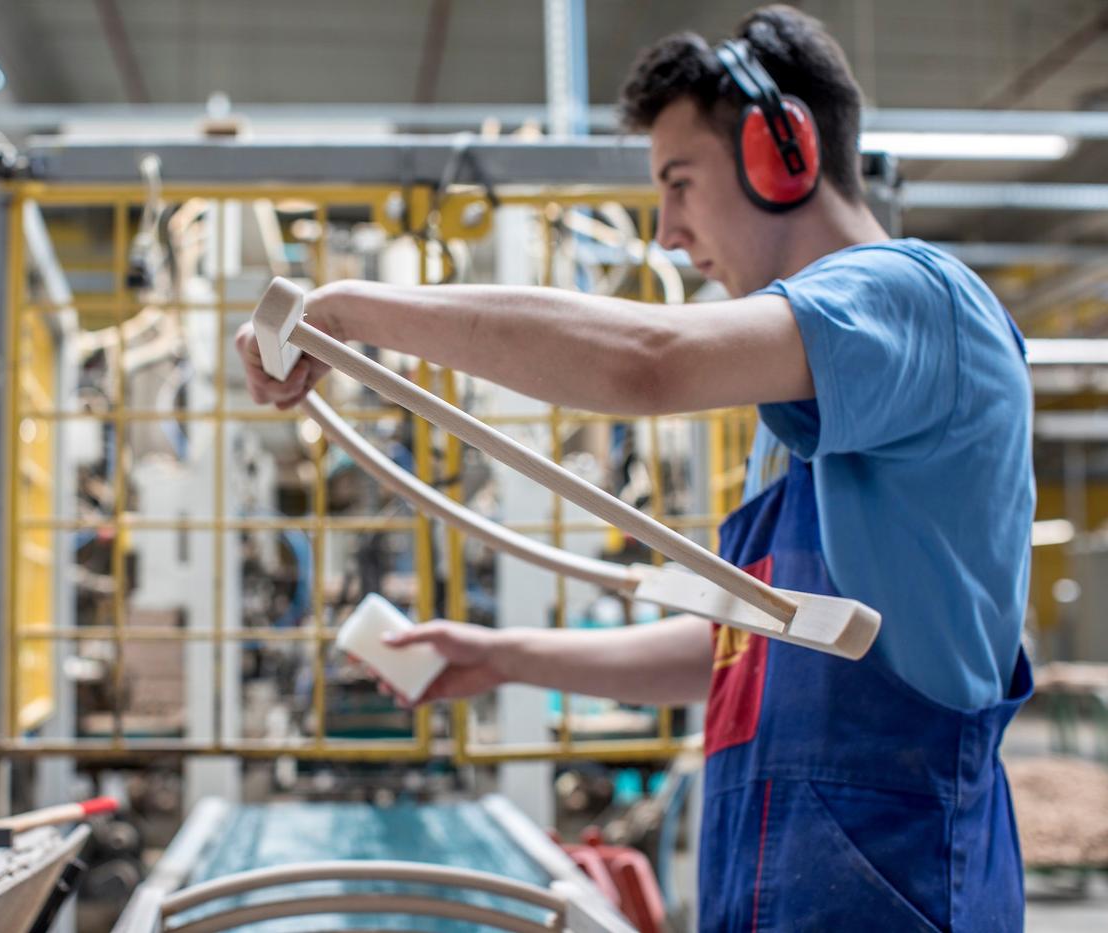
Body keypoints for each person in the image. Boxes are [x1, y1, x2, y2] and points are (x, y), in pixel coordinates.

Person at [236, 5, 1033, 930]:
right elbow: (744, 651)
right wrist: (498, 656)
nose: (664, 231)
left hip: (898, 890)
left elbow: (647, 358)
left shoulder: (920, 300)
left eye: (680, 182)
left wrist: (349, 311)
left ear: (786, 153)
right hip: (784, 888)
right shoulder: (797, 421)